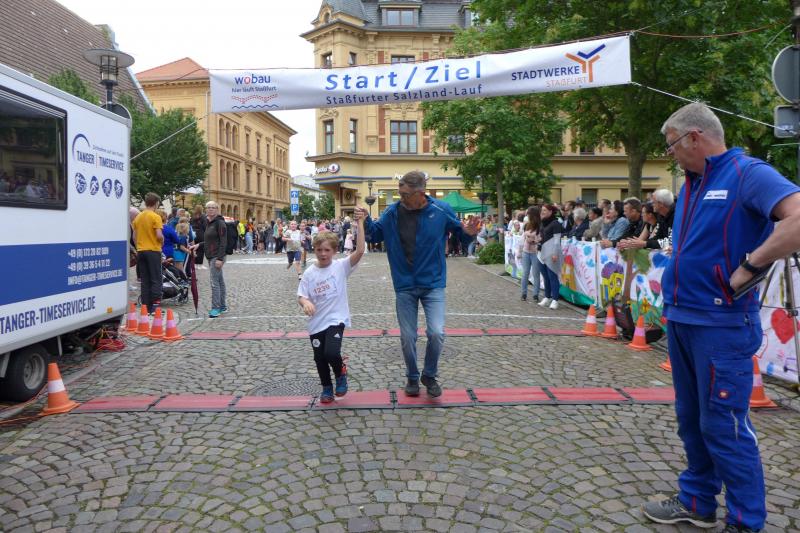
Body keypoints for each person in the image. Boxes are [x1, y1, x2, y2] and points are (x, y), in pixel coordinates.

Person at [641, 102, 800, 532]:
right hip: (684, 318)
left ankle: (746, 522)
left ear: (694, 137)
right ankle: (697, 500)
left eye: (672, 144)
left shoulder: (748, 173)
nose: (670, 153)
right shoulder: (694, 182)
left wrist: (751, 265)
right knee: (692, 421)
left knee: (724, 425)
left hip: (721, 325)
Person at [357, 170, 480, 397]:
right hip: (404, 284)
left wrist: (470, 234)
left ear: (421, 193)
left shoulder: (441, 210)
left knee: (436, 332)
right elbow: (374, 235)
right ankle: (412, 377)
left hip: (433, 283)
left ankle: (429, 375)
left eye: (405, 194)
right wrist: (365, 220)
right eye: (399, 193)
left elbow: (461, 237)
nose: (401, 198)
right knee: (407, 336)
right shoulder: (392, 212)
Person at [297, 213, 366, 403]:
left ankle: (340, 372)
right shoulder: (309, 273)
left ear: (335, 251)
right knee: (319, 358)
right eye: (319, 250)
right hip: (316, 322)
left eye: (327, 250)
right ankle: (327, 388)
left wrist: (360, 223)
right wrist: (306, 303)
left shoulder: (341, 266)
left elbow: (360, 251)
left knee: (331, 353)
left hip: (336, 318)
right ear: (314, 250)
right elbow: (301, 295)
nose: (323, 254)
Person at [131, 193, 164, 314]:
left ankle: (145, 306)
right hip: (153, 251)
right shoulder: (155, 217)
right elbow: (159, 235)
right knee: (156, 278)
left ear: (146, 203)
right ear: (156, 203)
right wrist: (162, 241)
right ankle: (155, 306)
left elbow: (134, 237)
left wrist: (138, 247)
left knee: (145, 280)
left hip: (141, 251)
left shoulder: (138, 217)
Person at [203, 201, 228, 318]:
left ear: (217, 209)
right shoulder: (209, 222)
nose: (211, 209)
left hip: (217, 256)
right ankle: (222, 306)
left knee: (214, 282)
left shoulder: (220, 223)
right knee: (219, 281)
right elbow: (210, 240)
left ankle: (216, 308)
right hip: (211, 255)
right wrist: (199, 245)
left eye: (213, 207)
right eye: (208, 207)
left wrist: (220, 258)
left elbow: (223, 241)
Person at [537, 204, 563, 310]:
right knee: (545, 277)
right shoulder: (542, 222)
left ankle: (555, 300)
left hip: (551, 254)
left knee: (552, 277)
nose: (542, 212)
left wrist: (555, 253)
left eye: (544, 210)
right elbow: (541, 236)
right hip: (541, 253)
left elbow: (557, 241)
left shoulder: (556, 223)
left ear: (550, 212)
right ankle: (547, 297)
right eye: (542, 210)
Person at [519, 206, 542, 302]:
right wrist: (519, 251)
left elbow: (541, 239)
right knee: (525, 273)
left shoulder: (540, 226)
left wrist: (534, 241)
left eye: (528, 214)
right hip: (526, 251)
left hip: (535, 252)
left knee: (536, 274)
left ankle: (535, 294)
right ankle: (523, 293)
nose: (527, 215)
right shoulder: (526, 225)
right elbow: (522, 238)